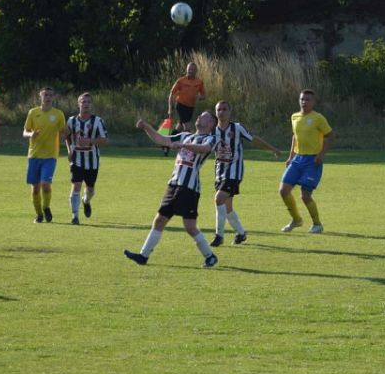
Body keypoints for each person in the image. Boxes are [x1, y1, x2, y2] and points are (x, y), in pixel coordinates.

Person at [125, 111, 219, 268]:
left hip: (189, 188)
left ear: (211, 124)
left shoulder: (210, 138)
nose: (199, 117)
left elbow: (204, 148)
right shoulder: (184, 135)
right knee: (160, 220)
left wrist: (182, 145)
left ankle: (210, 256)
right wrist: (146, 127)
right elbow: (162, 140)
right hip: (174, 184)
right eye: (199, 115)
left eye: (204, 117)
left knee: (190, 227)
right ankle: (143, 256)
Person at [209, 100, 282, 247]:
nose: (221, 112)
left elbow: (254, 140)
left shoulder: (237, 128)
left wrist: (273, 149)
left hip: (234, 173)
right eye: (219, 110)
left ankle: (219, 236)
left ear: (230, 112)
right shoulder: (211, 131)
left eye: (224, 109)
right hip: (219, 173)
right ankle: (241, 234)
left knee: (218, 199)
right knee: (227, 208)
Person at [279, 89, 335, 234]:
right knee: (283, 191)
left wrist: (321, 154)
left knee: (305, 195)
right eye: (302, 99)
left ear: (313, 102)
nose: (304, 102)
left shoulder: (318, 118)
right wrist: (290, 156)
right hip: (297, 159)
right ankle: (296, 220)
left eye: (308, 100)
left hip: (313, 161)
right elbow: (295, 137)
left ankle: (317, 224)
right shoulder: (294, 117)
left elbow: (331, 136)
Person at [23, 87, 68, 223]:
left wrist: (65, 134)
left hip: (50, 156)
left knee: (45, 184)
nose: (48, 97)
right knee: (35, 189)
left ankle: (46, 207)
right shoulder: (33, 112)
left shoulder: (58, 114)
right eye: (45, 95)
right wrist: (31, 134)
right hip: (34, 155)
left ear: (53, 97)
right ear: (40, 97)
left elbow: (63, 132)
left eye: (50, 95)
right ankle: (39, 215)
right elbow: (25, 132)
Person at [65, 92, 109, 225]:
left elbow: (105, 140)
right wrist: (69, 150)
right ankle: (75, 216)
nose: (86, 104)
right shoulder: (71, 121)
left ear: (91, 105)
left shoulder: (98, 121)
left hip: (92, 161)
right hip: (76, 159)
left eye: (89, 102)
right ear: (78, 104)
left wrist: (90, 141)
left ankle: (86, 201)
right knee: (76, 186)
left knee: (90, 189)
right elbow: (67, 136)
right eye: (83, 102)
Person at [167, 61, 206, 136]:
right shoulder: (181, 80)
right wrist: (170, 109)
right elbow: (171, 93)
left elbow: (204, 95)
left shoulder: (199, 82)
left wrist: (199, 97)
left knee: (180, 126)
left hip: (191, 107)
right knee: (187, 126)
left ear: (196, 71)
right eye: (189, 69)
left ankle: (170, 140)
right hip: (180, 105)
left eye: (192, 69)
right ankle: (189, 141)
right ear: (187, 70)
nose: (191, 71)